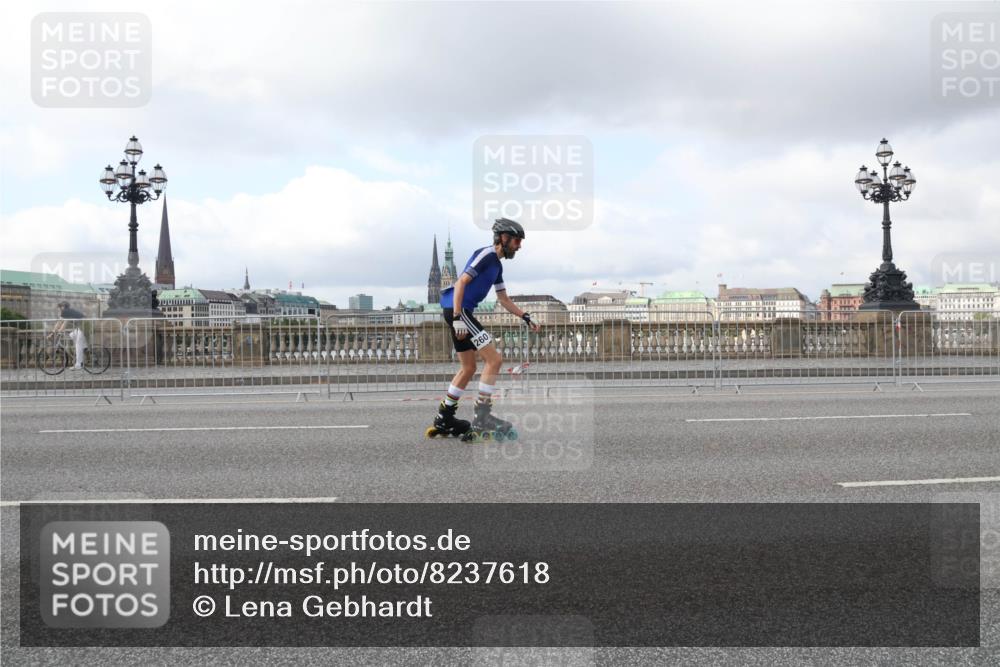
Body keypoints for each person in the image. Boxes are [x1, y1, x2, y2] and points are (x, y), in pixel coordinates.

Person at [429, 218, 541, 439]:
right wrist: (459, 317)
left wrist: (525, 316)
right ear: (504, 238)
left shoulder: (497, 266)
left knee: (468, 367)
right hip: (459, 310)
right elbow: (460, 282)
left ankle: (445, 417)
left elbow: (503, 299)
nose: (520, 246)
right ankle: (482, 417)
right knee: (494, 360)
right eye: (517, 241)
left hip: (457, 311)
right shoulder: (487, 255)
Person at [51, 301, 88, 370]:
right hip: (82, 326)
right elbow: (61, 322)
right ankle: (85, 348)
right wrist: (54, 332)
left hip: (84, 326)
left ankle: (78, 364)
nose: (59, 309)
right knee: (71, 335)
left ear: (63, 307)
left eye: (60, 307)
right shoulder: (68, 311)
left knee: (78, 345)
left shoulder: (65, 311)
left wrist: (56, 332)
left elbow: (62, 323)